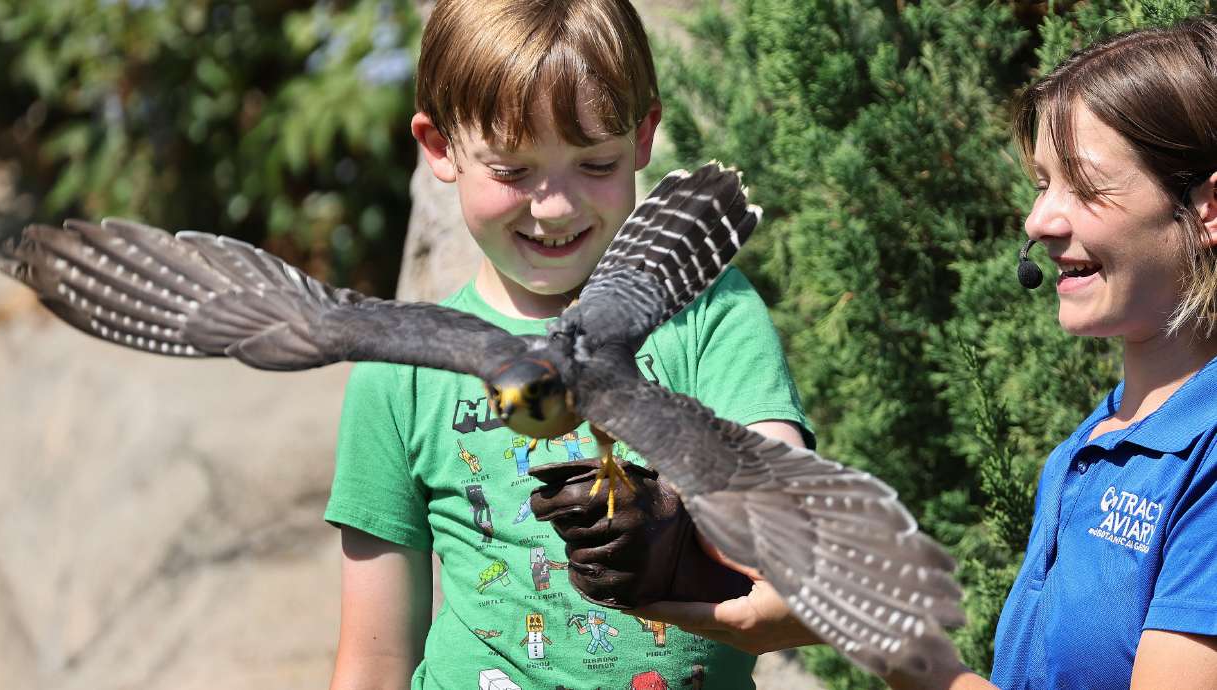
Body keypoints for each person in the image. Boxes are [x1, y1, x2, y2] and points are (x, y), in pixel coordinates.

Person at [629, 14, 1217, 690]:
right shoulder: (1098, 441)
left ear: (1207, 207)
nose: (1039, 222)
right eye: (1041, 184)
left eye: (1084, 186)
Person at [322, 1, 810, 688]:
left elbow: (786, 515)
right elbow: (374, 659)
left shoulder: (710, 318)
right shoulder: (401, 371)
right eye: (514, 171)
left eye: (595, 162)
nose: (555, 205)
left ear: (644, 137)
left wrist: (690, 528)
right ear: (440, 148)